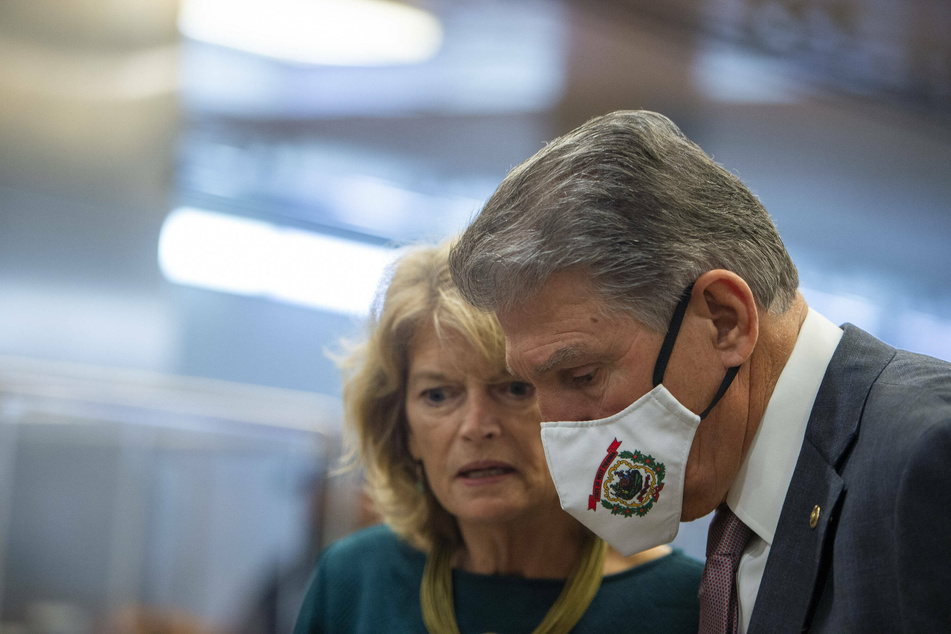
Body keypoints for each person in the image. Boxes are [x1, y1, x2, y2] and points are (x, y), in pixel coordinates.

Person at [448, 110, 951, 634]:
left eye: (582, 376)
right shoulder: (743, 518)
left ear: (725, 319)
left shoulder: (926, 459)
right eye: (529, 387)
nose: (555, 427)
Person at [293, 241, 704, 633]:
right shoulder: (353, 580)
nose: (475, 427)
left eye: (514, 389)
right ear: (404, 430)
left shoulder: (683, 603)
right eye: (438, 395)